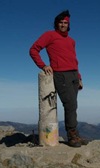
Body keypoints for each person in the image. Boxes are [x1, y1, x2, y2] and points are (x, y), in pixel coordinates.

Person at [29, 10, 86, 147]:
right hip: (61, 75)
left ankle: (75, 134)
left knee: (73, 105)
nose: (63, 25)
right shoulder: (49, 35)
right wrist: (43, 66)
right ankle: (72, 135)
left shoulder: (71, 41)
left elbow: (74, 60)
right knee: (70, 105)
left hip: (73, 75)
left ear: (69, 24)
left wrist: (79, 77)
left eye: (65, 23)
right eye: (61, 22)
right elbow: (33, 50)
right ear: (56, 24)